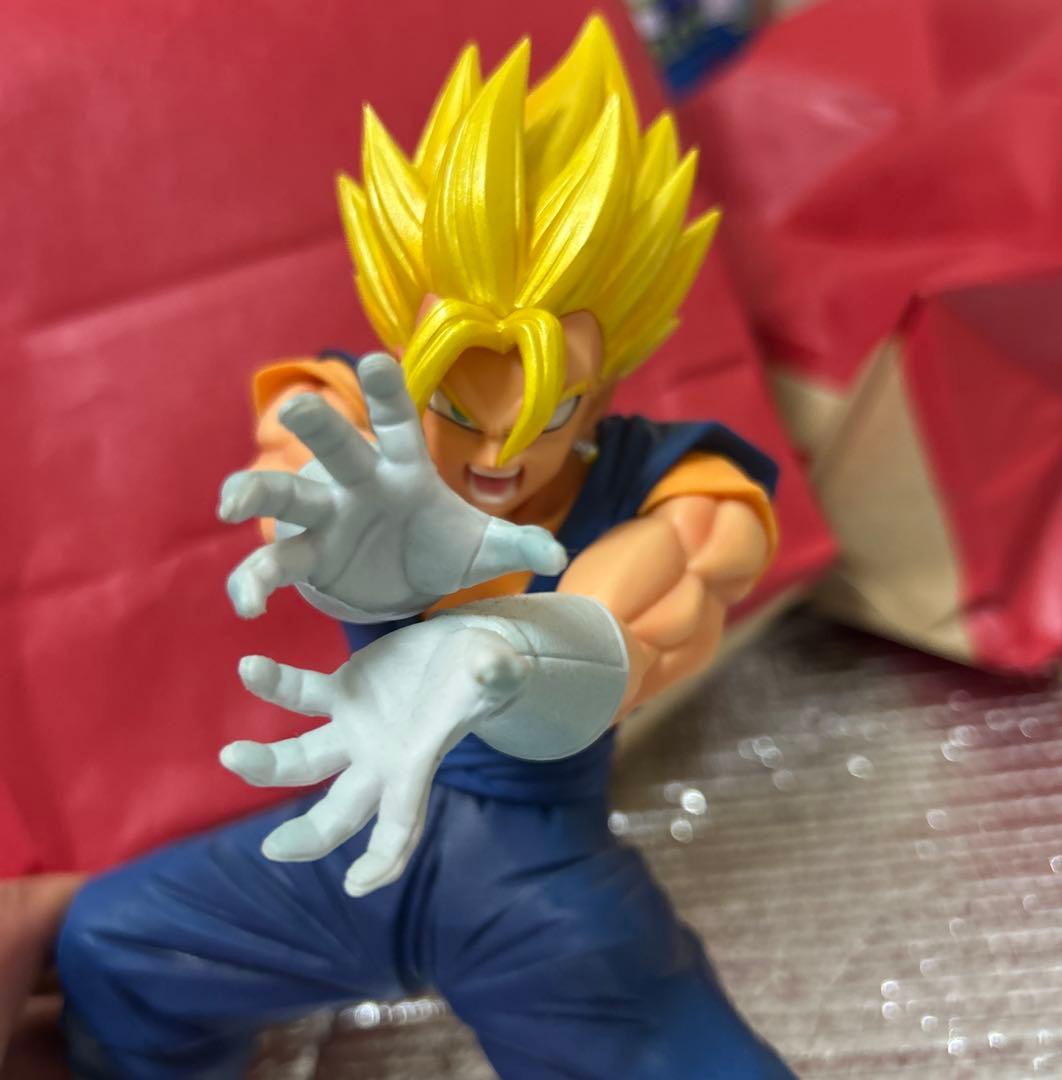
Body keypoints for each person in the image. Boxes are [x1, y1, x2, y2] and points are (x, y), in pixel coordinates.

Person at [57, 16, 795, 1078]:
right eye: (459, 399)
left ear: (603, 387)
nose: (498, 453)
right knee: (113, 946)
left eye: (547, 410)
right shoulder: (346, 412)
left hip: (533, 881)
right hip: (350, 843)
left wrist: (508, 654)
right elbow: (301, 472)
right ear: (406, 342)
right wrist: (337, 545)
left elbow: (652, 603)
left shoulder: (681, 484)